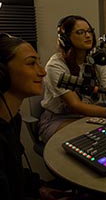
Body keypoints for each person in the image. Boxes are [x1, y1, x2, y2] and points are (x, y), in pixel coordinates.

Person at [39, 15, 106, 143]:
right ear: (65, 38)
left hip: (89, 115)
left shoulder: (98, 59)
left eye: (90, 31)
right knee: (91, 140)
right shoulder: (55, 66)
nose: (88, 35)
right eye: (80, 32)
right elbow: (75, 105)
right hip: (60, 119)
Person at [0, 33, 46, 200]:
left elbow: (14, 171)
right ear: (2, 73)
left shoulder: (13, 119)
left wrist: (39, 189)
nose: (43, 72)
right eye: (31, 63)